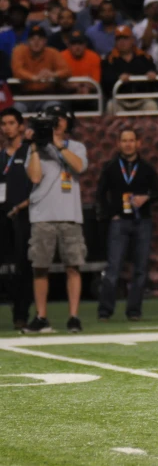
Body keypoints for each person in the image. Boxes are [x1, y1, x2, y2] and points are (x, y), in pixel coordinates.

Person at [23, 105, 88, 334]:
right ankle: (41, 317)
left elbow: (79, 166)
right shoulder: (37, 148)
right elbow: (35, 176)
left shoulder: (76, 146)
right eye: (53, 119)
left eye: (59, 119)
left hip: (70, 215)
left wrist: (58, 144)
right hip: (42, 215)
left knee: (73, 267)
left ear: (67, 122)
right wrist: (34, 146)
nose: (56, 123)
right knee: (40, 267)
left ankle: (73, 317)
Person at [96, 129, 158, 322]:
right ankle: (105, 311)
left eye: (131, 140)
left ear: (138, 143)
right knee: (113, 268)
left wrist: (146, 197)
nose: (128, 144)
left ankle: (134, 310)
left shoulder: (147, 168)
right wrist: (111, 214)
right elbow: (100, 194)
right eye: (124, 141)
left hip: (142, 222)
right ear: (119, 144)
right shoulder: (111, 167)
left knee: (140, 269)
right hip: (119, 222)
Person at [0, 107, 33, 331]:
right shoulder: (1, 155)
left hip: (24, 215)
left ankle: (21, 315)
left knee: (24, 266)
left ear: (21, 126)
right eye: (3, 124)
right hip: (2, 215)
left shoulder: (30, 152)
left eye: (12, 123)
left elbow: (40, 184)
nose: (7, 127)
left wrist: (24, 205)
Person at [11, 25, 70, 113]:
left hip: (47, 95)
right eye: (33, 39)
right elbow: (17, 70)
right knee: (15, 111)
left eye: (40, 39)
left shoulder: (52, 52)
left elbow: (67, 71)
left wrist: (53, 74)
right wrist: (34, 77)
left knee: (56, 110)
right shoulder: (19, 50)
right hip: (25, 96)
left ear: (45, 41)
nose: (36, 42)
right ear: (28, 41)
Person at [101, 25, 158, 115]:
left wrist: (152, 74)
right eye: (119, 39)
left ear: (132, 40)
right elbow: (105, 80)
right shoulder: (109, 60)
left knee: (151, 105)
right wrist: (118, 78)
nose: (122, 42)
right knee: (110, 106)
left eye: (125, 38)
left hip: (142, 99)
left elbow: (155, 74)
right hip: (120, 100)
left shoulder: (144, 57)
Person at [60, 30, 101, 104]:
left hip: (89, 92)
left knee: (98, 99)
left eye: (80, 43)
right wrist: (75, 87)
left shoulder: (94, 57)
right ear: (68, 45)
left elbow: (95, 83)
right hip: (68, 93)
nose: (77, 47)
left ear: (85, 45)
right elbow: (60, 82)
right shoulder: (61, 57)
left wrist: (84, 87)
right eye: (74, 44)